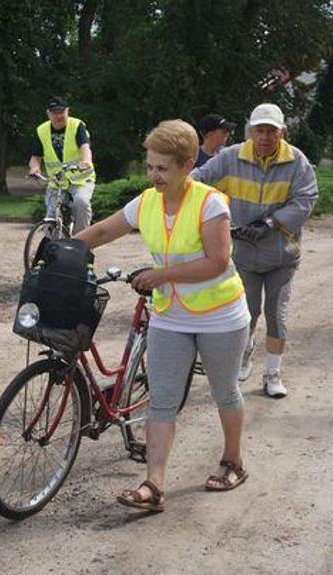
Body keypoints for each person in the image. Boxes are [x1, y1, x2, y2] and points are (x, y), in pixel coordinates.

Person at [75, 119, 250, 512]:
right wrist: (62, 248)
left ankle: (233, 461)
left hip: (220, 314)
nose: (153, 175)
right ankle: (153, 484)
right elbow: (104, 231)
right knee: (162, 400)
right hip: (172, 314)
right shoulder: (147, 202)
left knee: (225, 392)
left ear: (187, 165)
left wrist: (160, 276)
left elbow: (218, 262)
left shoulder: (210, 204)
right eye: (150, 166)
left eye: (162, 168)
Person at [192, 103, 318, 398]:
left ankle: (273, 373)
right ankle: (245, 353)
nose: (264, 137)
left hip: (281, 253)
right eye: (259, 130)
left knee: (277, 314)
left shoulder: (296, 162)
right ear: (251, 132)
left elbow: (305, 199)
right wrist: (174, 185)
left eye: (271, 131)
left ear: (282, 132)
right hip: (243, 253)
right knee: (246, 313)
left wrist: (270, 223)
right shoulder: (230, 157)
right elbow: (199, 179)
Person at [27, 96, 96, 234]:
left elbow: (85, 146)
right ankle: (49, 247)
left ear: (67, 111)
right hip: (57, 182)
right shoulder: (41, 130)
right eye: (54, 113)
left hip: (80, 179)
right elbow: (35, 156)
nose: (58, 116)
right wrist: (34, 168)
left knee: (81, 203)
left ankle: (82, 241)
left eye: (61, 112)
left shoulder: (77, 125)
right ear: (48, 114)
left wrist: (86, 161)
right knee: (51, 216)